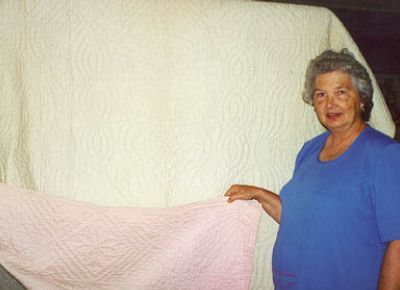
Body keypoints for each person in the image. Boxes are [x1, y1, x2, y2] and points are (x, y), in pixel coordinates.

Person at [225, 49, 400, 290]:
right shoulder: (309, 150)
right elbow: (299, 219)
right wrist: (259, 194)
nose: (330, 103)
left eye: (340, 92)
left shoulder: (384, 154)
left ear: (361, 99)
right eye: (320, 95)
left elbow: (397, 241)